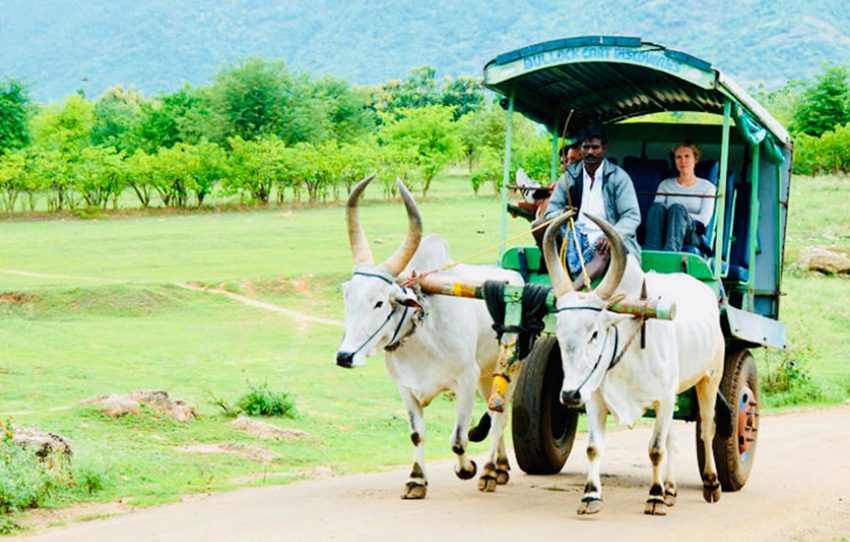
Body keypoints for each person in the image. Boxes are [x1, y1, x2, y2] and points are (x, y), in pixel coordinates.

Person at [537, 125, 640, 289]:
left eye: (595, 147)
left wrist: (614, 234)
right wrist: (562, 215)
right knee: (538, 226)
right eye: (586, 147)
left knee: (606, 247)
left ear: (604, 149)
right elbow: (551, 211)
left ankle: (571, 293)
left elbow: (631, 216)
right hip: (575, 235)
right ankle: (560, 277)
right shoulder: (570, 176)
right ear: (581, 149)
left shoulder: (618, 177)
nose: (590, 152)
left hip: (605, 236)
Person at [644, 142, 716, 252]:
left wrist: (679, 215)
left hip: (691, 233)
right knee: (656, 207)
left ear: (695, 159)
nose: (683, 161)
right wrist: (672, 216)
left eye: (687, 156)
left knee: (677, 209)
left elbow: (704, 219)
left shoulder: (707, 187)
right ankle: (651, 251)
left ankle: (670, 254)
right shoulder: (665, 185)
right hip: (665, 231)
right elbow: (657, 214)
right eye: (678, 157)